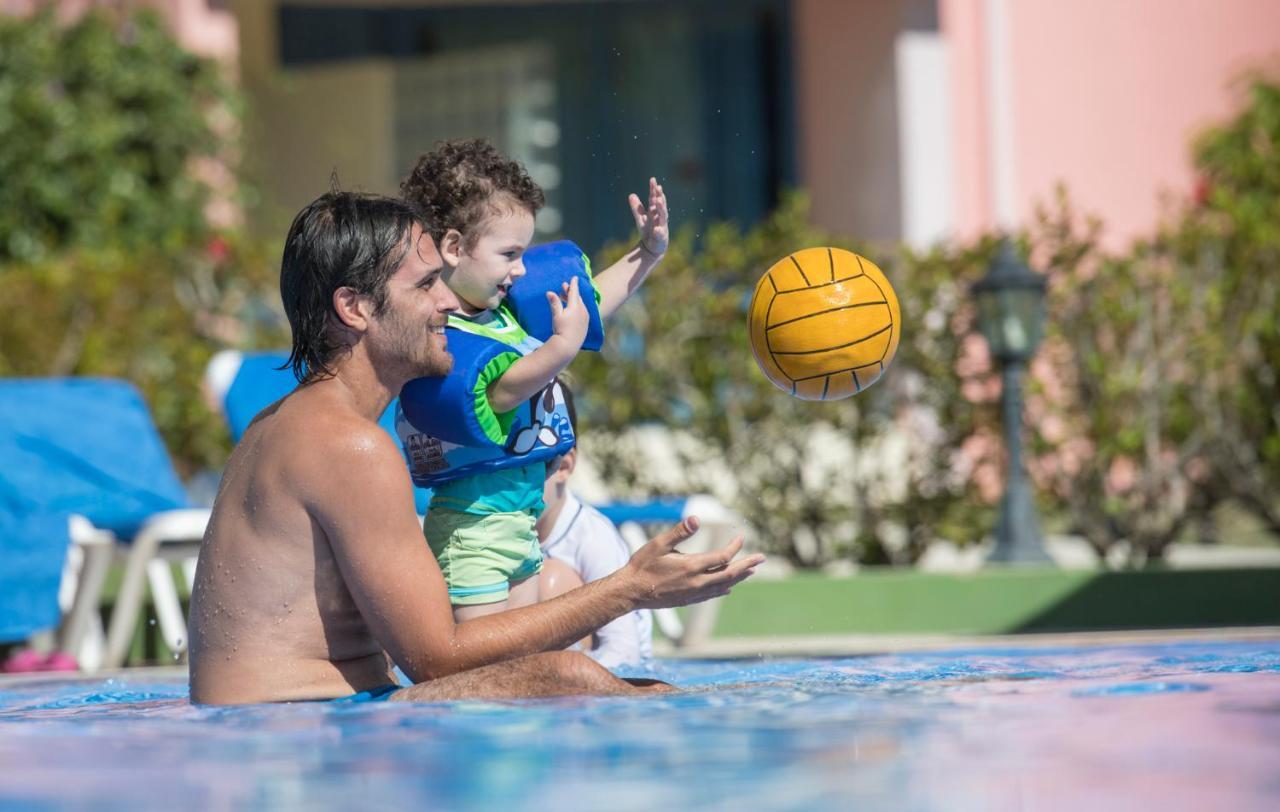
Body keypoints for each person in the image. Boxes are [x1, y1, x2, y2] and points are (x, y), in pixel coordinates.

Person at [187, 190, 761, 705]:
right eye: (424, 284)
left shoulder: (289, 422)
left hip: (290, 727)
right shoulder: (348, 445)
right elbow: (436, 658)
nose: (447, 301)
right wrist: (631, 588)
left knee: (593, 680)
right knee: (570, 679)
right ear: (355, 308)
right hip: (290, 735)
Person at [396, 139, 669, 621]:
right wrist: (561, 349)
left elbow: (586, 304)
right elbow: (497, 392)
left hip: (521, 523)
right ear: (455, 247)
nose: (521, 270)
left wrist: (646, 253)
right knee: (483, 675)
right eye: (509, 254)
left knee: (519, 677)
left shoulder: (503, 314)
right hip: (470, 529)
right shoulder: (436, 329)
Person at [537, 377, 652, 670]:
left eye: (523, 471)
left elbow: (625, 651)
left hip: (617, 676)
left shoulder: (591, 536)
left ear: (563, 467)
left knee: (550, 580)